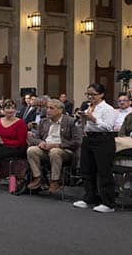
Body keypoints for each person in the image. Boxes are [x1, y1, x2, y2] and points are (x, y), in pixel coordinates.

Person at [73, 83, 118, 213]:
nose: (90, 97)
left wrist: (94, 119)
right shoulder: (88, 107)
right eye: (88, 94)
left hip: (103, 139)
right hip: (88, 138)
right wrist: (79, 119)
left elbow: (108, 127)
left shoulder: (108, 109)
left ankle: (108, 203)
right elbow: (82, 126)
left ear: (102, 94)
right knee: (87, 169)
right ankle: (89, 197)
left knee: (104, 171)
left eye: (93, 94)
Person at [26, 98, 82, 194]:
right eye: (47, 108)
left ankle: (55, 181)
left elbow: (77, 142)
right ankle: (38, 177)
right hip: (46, 148)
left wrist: (57, 145)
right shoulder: (44, 121)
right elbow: (35, 138)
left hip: (65, 150)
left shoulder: (70, 121)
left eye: (51, 108)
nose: (48, 110)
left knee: (54, 152)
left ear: (60, 110)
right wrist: (40, 143)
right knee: (31, 150)